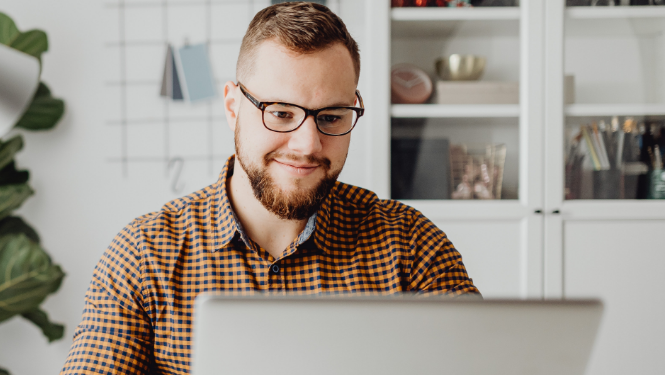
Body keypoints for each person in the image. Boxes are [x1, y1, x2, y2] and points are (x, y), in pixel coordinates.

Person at [58, 3, 479, 374]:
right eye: (280, 113)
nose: (308, 145)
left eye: (331, 118)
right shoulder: (145, 253)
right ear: (232, 107)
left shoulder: (409, 243)